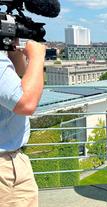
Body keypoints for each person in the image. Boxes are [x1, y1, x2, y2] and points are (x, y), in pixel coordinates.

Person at [0, 40, 46, 207]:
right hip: (4, 167)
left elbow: (20, 80)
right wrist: (37, 56)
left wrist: (14, 53)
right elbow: (26, 102)